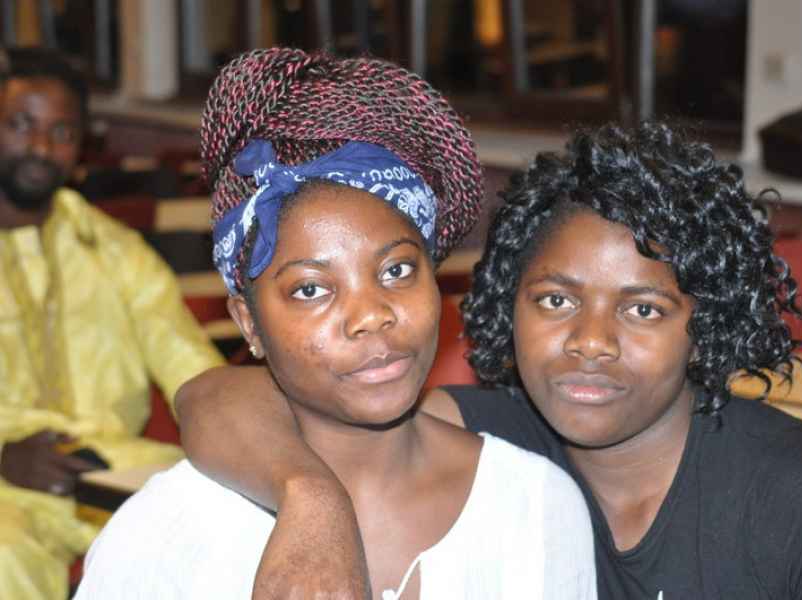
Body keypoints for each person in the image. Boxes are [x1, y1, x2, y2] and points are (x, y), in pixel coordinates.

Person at [174, 121, 802, 599]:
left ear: (703, 324)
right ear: (507, 304)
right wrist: (310, 496)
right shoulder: (500, 440)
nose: (591, 341)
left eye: (643, 309)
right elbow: (215, 396)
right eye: (555, 300)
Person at [74, 48, 596, 600]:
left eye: (396, 270)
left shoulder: (533, 506)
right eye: (311, 289)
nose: (371, 314)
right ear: (249, 325)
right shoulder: (165, 535)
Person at [0, 47, 224, 599]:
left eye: (61, 132)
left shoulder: (115, 251)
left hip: (111, 470)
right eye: (20, 125)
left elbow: (193, 371)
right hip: (6, 491)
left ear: (81, 146)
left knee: (227, 516)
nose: (40, 148)